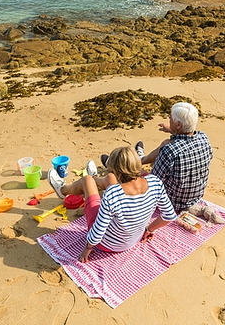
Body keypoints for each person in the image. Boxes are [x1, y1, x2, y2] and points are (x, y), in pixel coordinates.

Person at [47, 146, 176, 263]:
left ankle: (63, 190)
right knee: (109, 178)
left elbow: (98, 231)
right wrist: (150, 228)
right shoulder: (155, 182)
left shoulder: (113, 194)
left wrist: (88, 247)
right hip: (133, 239)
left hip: (108, 244)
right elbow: (169, 215)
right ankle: (96, 177)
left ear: (118, 173)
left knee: (87, 180)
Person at [101, 102, 212, 213]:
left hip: (173, 200)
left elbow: (154, 181)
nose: (169, 117)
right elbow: (184, 140)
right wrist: (171, 129)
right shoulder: (203, 138)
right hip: (195, 195)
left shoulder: (170, 150)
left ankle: (117, 164)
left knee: (135, 172)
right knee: (166, 144)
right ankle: (140, 158)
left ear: (178, 125)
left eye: (171, 118)